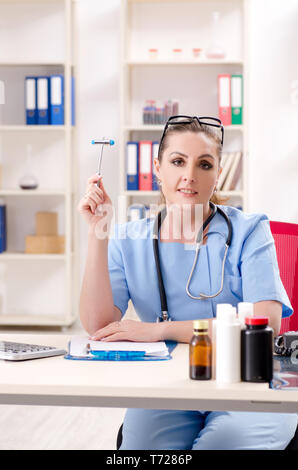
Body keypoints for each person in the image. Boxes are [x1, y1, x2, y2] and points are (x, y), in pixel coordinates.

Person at [77, 116, 297, 450]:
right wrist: (98, 232)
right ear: (157, 168)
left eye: (204, 164)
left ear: (218, 174)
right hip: (171, 383)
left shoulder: (251, 231)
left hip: (252, 379)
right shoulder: (126, 239)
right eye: (178, 161)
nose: (189, 176)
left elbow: (265, 324)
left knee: (219, 445)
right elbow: (99, 326)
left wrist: (159, 330)